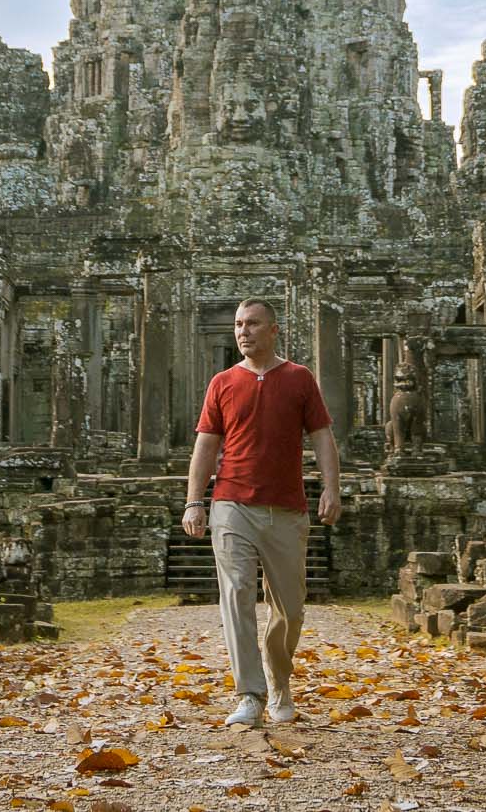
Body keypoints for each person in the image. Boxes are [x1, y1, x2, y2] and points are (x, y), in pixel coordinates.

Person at [181, 297, 341, 727]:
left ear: (273, 329)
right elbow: (206, 446)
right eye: (237, 324)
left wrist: (331, 488)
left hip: (287, 509)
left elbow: (322, 436)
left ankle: (280, 680)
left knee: (289, 609)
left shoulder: (299, 379)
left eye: (252, 324)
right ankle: (249, 693)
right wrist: (195, 501)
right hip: (231, 504)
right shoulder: (222, 383)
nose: (242, 331)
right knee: (235, 595)